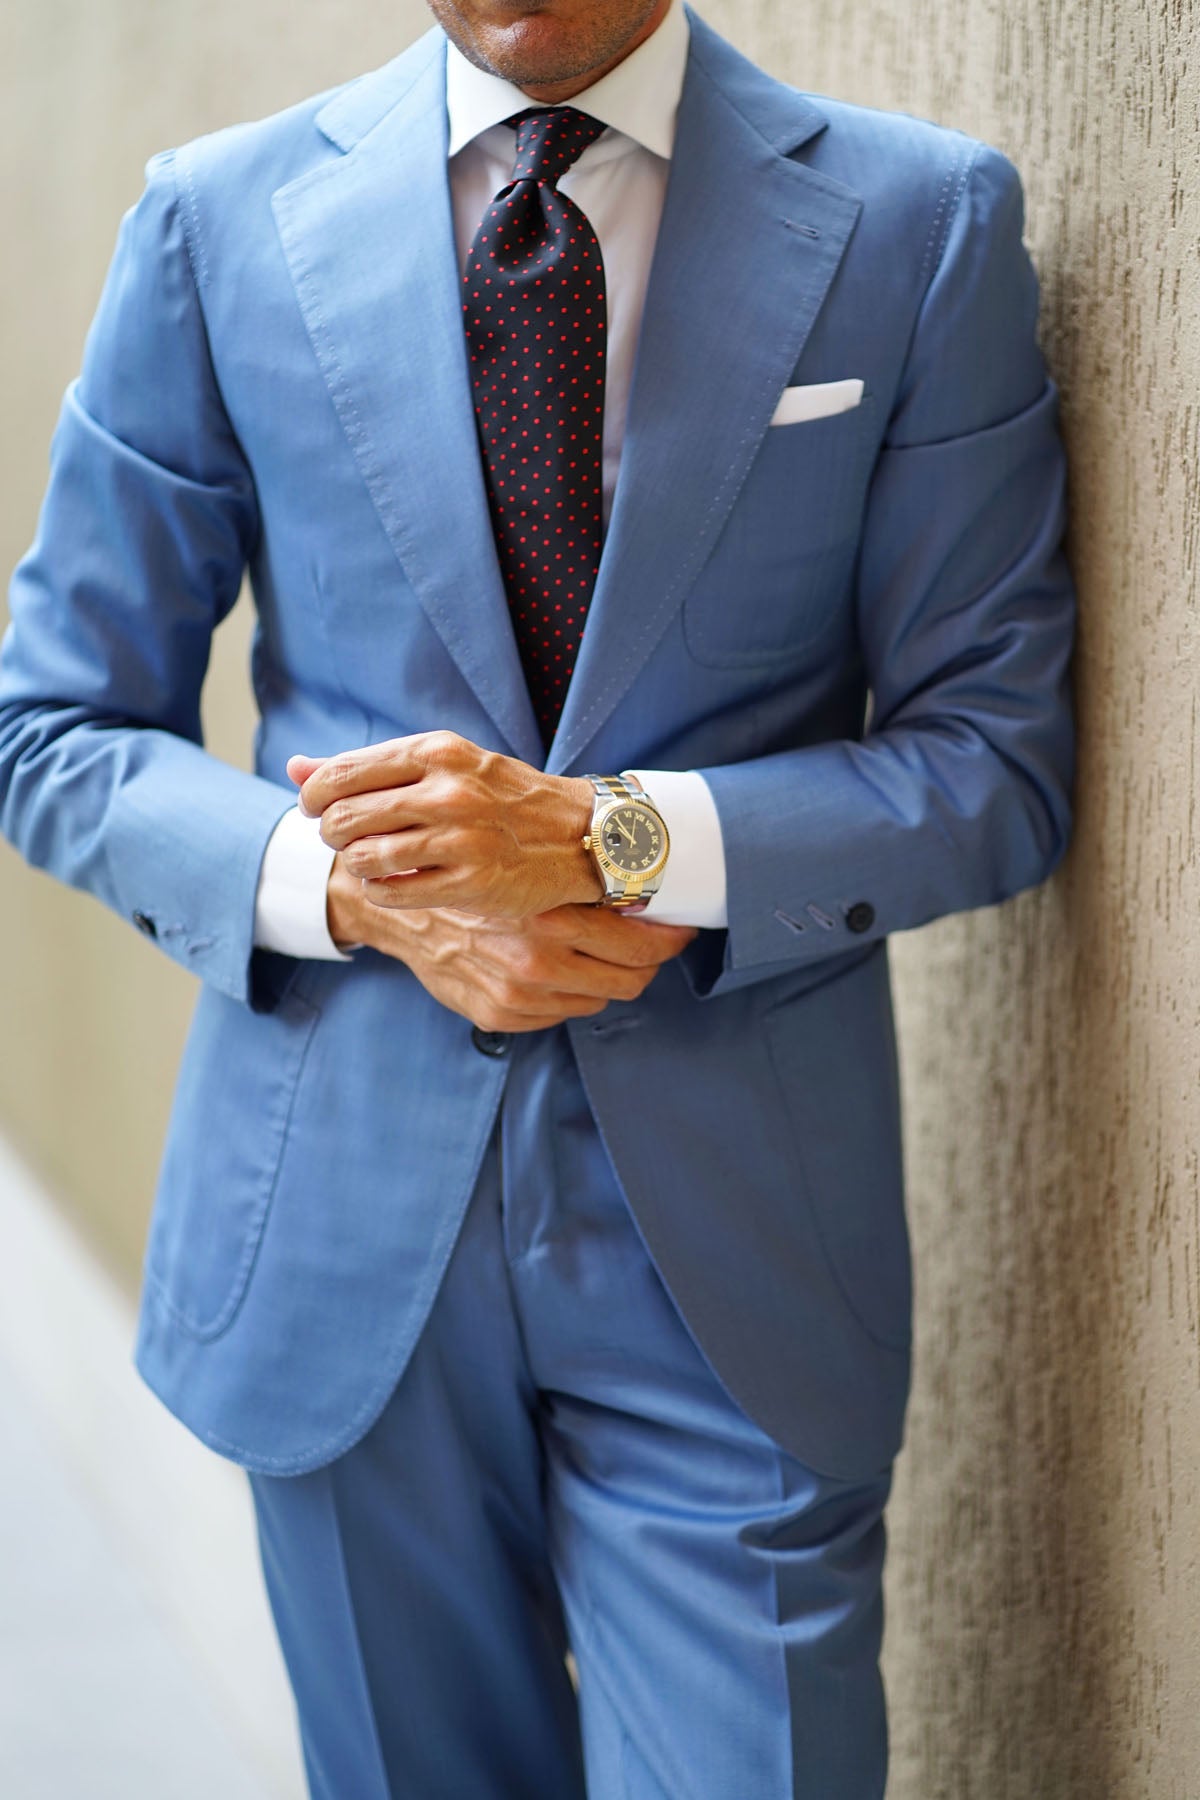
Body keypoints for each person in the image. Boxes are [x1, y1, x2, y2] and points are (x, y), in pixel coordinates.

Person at [0, 0, 1075, 1791]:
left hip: (736, 1253)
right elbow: (51, 726)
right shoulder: (216, 220)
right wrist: (352, 891)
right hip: (338, 1237)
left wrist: (609, 840)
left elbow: (997, 763)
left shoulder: (915, 225)